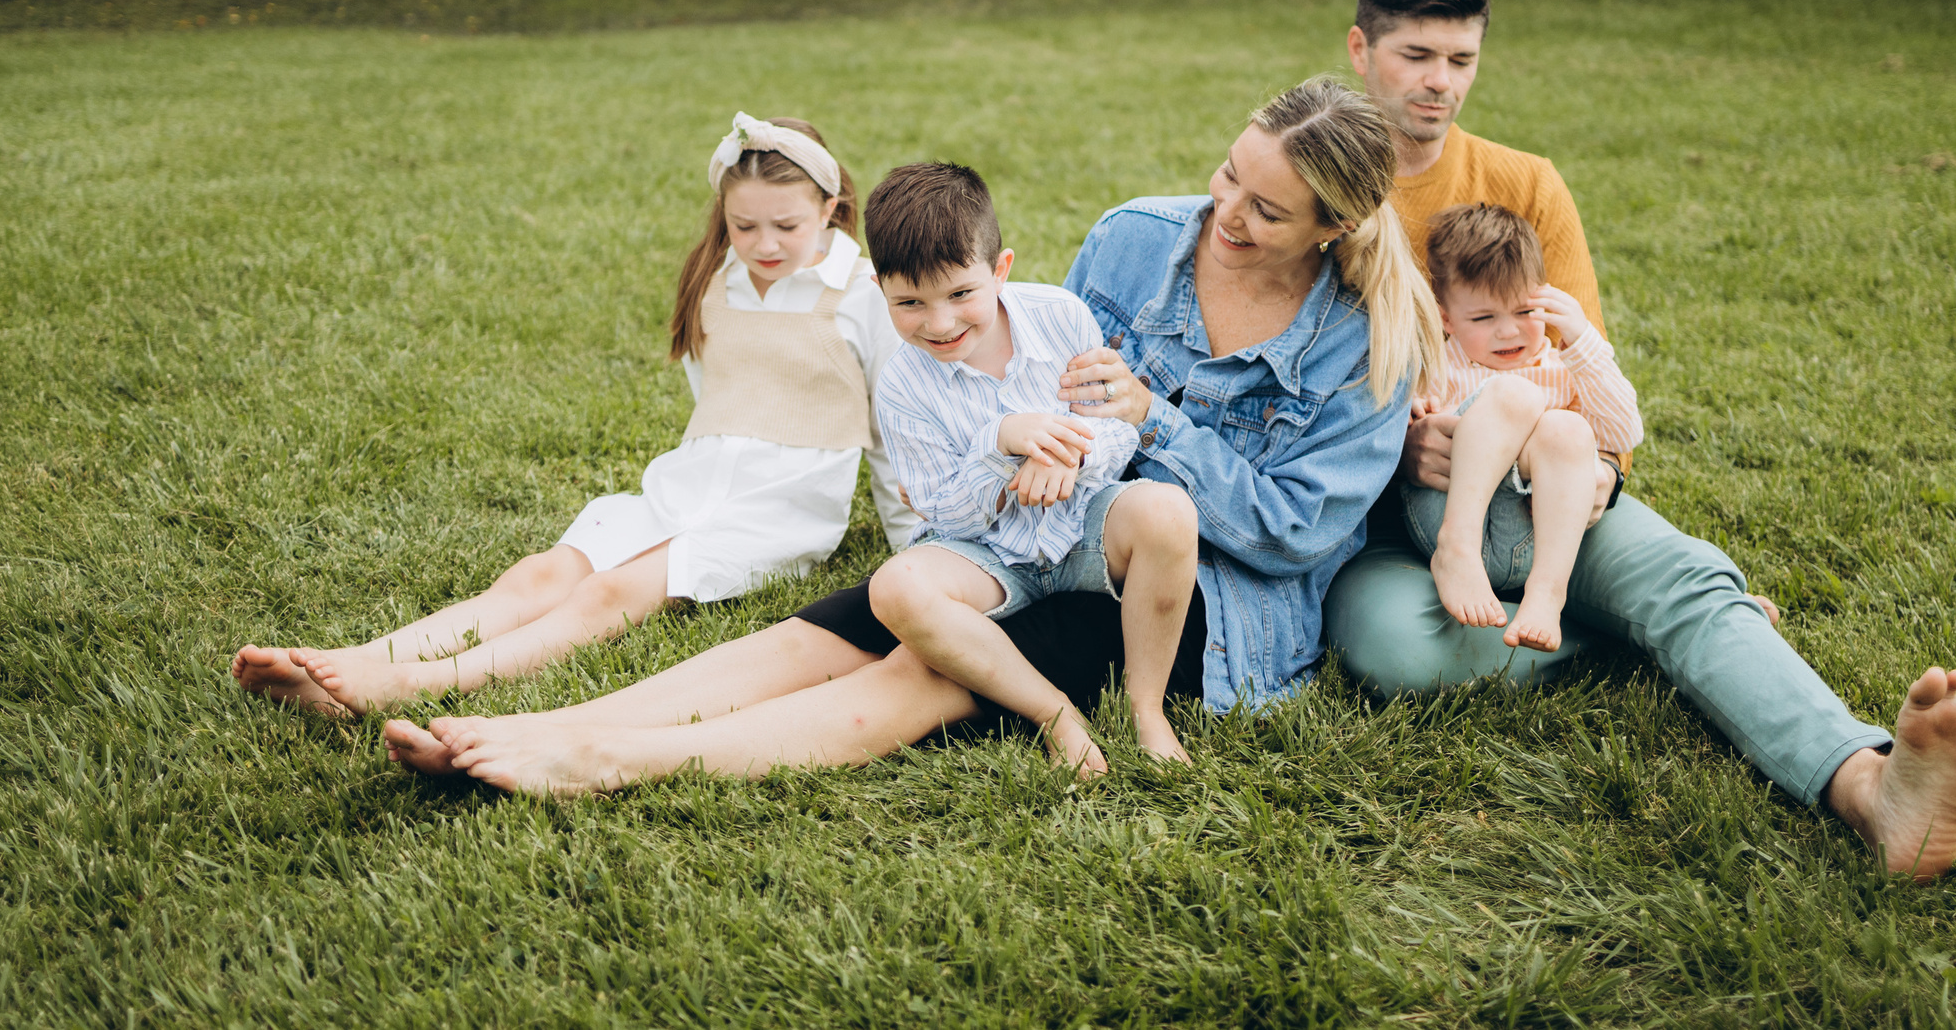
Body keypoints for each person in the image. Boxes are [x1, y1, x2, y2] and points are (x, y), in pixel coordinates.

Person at [376, 77, 1443, 794]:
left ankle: (602, 760)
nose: (1225, 212)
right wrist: (1022, 450)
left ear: (1331, 229)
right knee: (828, 629)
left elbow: (1297, 533)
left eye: (1264, 210)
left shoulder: (1362, 343)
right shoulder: (1135, 238)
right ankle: (551, 723)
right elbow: (1022, 370)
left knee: (920, 676)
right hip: (1038, 521)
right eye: (1227, 175)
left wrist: (1149, 420)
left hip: (1203, 588)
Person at [1323, 0, 1956, 882]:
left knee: (1673, 575)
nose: (1441, 83)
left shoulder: (1525, 184)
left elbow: (1581, 373)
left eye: (1462, 60)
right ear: (1362, 50)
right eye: (1416, 57)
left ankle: (1872, 788)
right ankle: (1655, 643)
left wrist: (1600, 469)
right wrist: (1400, 449)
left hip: (1540, 492)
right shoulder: (1320, 186)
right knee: (1395, 646)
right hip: (1376, 528)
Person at [230, 112, 913, 717]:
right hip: (687, 484)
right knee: (539, 574)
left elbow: (890, 431)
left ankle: (417, 683)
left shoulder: (861, 294)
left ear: (830, 206)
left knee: (608, 591)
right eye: (744, 225)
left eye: (787, 225)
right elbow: (718, 392)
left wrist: (912, 543)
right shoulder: (719, 281)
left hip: (776, 511)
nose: (764, 243)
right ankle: (351, 659)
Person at [857, 162, 1201, 774]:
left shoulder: (1059, 316)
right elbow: (939, 509)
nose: (939, 323)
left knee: (1168, 510)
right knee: (895, 588)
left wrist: (1067, 453)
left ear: (1000, 269)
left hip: (1081, 527)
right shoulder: (902, 385)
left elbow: (1117, 428)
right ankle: (1052, 712)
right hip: (985, 552)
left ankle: (1147, 708)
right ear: (881, 290)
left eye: (961, 294)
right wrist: (1001, 444)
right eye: (909, 303)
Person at [1415, 204, 1643, 652]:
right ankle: (1455, 552)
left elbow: (1623, 435)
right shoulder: (1438, 362)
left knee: (1569, 431)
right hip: (1450, 516)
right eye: (1483, 318)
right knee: (1516, 395)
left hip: (1536, 535)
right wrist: (1414, 408)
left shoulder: (1565, 366)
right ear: (1446, 319)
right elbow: (1396, 423)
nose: (1508, 332)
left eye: (1524, 311)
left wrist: (1581, 340)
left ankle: (1547, 594)